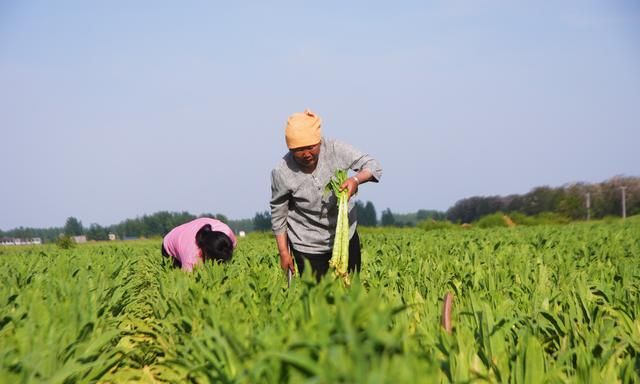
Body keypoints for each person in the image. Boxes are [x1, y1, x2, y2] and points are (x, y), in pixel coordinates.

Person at [270, 109, 383, 281]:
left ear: (319, 142)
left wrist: (355, 180)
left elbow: (373, 165)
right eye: (299, 150)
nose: (306, 154)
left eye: (311, 147)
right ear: (290, 149)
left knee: (350, 293)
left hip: (345, 236)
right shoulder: (282, 172)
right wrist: (284, 253)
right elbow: (279, 213)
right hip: (307, 244)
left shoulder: (335, 150)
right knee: (318, 301)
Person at [161, 217, 237, 271]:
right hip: (170, 245)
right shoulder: (190, 256)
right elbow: (186, 280)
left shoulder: (227, 233)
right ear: (205, 252)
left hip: (191, 231)